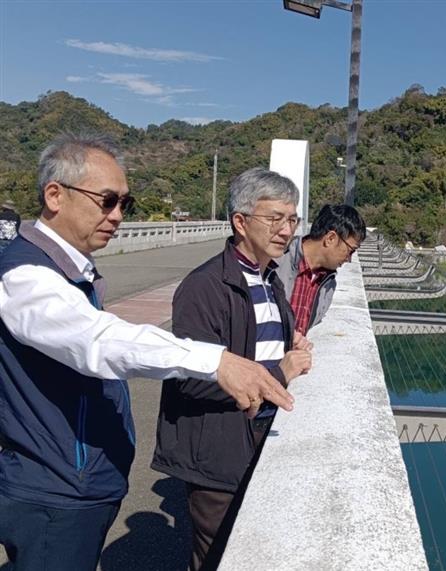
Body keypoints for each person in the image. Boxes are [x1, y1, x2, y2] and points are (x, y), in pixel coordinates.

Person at [0, 134, 294, 571]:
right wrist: (216, 361)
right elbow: (97, 341)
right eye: (106, 201)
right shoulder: (25, 276)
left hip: (80, 481)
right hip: (55, 490)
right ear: (55, 195)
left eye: (125, 203)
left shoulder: (70, 270)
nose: (117, 215)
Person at [152, 168, 313, 571]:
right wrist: (281, 372)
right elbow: (192, 376)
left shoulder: (269, 277)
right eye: (274, 218)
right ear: (240, 221)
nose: (286, 229)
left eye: (292, 219)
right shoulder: (205, 286)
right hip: (218, 448)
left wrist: (290, 340)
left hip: (256, 435)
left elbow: (256, 341)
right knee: (219, 555)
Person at [276, 204, 366, 335]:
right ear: (330, 238)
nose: (349, 259)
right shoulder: (275, 261)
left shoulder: (328, 283)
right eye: (350, 250)